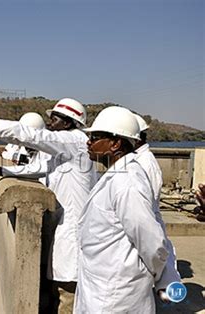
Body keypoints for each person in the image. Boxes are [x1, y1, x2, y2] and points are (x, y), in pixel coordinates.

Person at [0, 98, 98, 313]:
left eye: (55, 120)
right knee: (62, 292)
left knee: (68, 298)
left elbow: (31, 135)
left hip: (74, 239)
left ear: (68, 123)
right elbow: (39, 168)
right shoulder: (67, 148)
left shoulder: (72, 141)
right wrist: (0, 170)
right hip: (67, 234)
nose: (50, 124)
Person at [76, 106, 169, 313]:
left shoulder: (127, 183)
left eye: (95, 137)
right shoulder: (117, 176)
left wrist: (159, 276)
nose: (88, 142)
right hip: (102, 290)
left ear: (116, 143)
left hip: (117, 297)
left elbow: (152, 243)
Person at [133, 114, 181, 302]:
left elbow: (146, 204)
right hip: (148, 224)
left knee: (160, 275)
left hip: (148, 223)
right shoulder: (139, 160)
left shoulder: (145, 163)